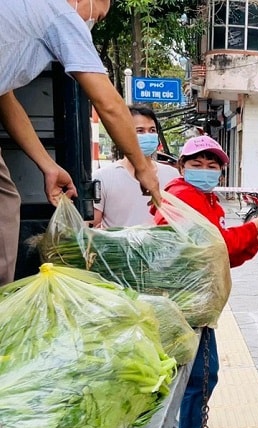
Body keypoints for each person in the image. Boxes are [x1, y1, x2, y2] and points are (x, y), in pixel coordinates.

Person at [0, 0, 162, 286]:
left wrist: (48, 166)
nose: (92, 24)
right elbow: (108, 103)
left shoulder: (22, 12)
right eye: (97, 17)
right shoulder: (58, 11)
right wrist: (143, 167)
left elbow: (6, 100)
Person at [152, 135, 258, 428]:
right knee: (198, 376)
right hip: (184, 302)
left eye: (213, 166)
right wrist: (253, 229)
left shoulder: (208, 201)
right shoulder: (183, 196)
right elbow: (213, 245)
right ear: (182, 167)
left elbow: (226, 255)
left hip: (197, 301)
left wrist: (255, 234)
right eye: (197, 164)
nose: (205, 170)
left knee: (199, 375)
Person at [91, 105, 180, 228]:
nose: (148, 135)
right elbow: (93, 226)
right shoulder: (102, 177)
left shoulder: (173, 176)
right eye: (140, 131)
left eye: (152, 130)